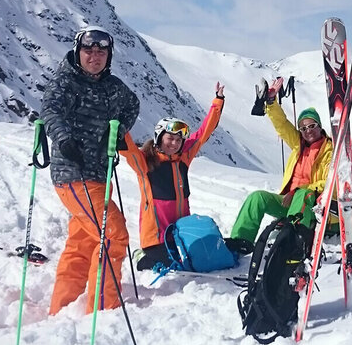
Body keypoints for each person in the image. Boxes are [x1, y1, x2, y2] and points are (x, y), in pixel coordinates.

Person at [41, 25, 139, 315]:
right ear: (77, 51)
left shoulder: (113, 87)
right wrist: (63, 138)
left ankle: (63, 308)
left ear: (108, 55)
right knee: (113, 233)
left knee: (83, 241)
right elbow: (49, 110)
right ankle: (104, 309)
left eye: (101, 51)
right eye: (88, 50)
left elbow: (132, 105)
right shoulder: (65, 82)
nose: (94, 56)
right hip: (72, 173)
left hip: (99, 174)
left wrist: (119, 129)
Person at [120, 83, 225, 270]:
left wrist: (218, 101)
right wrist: (118, 125)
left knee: (200, 258)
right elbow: (128, 149)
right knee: (175, 265)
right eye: (170, 138)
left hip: (182, 232)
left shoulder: (183, 158)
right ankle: (142, 256)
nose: (174, 143)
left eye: (178, 140)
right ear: (159, 138)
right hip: (156, 237)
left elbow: (203, 134)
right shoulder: (144, 162)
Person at [225, 77, 333, 255]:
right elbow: (282, 124)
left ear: (319, 126)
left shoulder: (329, 149)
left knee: (304, 193)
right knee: (257, 197)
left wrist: (298, 191)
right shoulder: (298, 144)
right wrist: (271, 101)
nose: (308, 131)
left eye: (312, 125)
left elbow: (329, 183)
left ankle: (294, 238)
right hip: (288, 203)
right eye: (303, 128)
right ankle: (241, 240)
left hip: (311, 206)